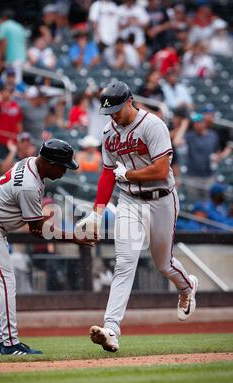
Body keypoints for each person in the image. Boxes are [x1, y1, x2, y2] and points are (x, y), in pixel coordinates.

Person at [75, 81, 198, 352]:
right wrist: (98, 212)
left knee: (163, 264)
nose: (114, 115)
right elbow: (107, 173)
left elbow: (161, 170)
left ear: (130, 101)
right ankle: (111, 329)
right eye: (110, 111)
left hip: (161, 198)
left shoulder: (152, 125)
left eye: (118, 109)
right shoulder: (109, 132)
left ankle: (187, 287)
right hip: (129, 200)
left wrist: (128, 174)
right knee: (124, 263)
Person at [0, 139, 92, 356]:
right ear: (50, 162)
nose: (64, 172)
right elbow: (37, 229)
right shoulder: (29, 186)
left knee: (6, 281)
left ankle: (7, 340)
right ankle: (8, 344)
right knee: (6, 281)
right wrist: (73, 237)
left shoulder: (31, 163)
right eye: (62, 167)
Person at [0, 83, 23, 160]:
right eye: (4, 90)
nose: (6, 93)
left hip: (12, 140)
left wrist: (19, 138)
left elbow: (19, 123)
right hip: (0, 139)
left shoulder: (15, 105)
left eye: (8, 91)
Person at [0, 9, 27, 82]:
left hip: (13, 60)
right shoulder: (20, 26)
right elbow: (25, 43)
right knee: (4, 81)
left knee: (16, 83)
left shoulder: (3, 25)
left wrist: (0, 60)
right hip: (22, 58)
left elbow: (3, 43)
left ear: (4, 17)